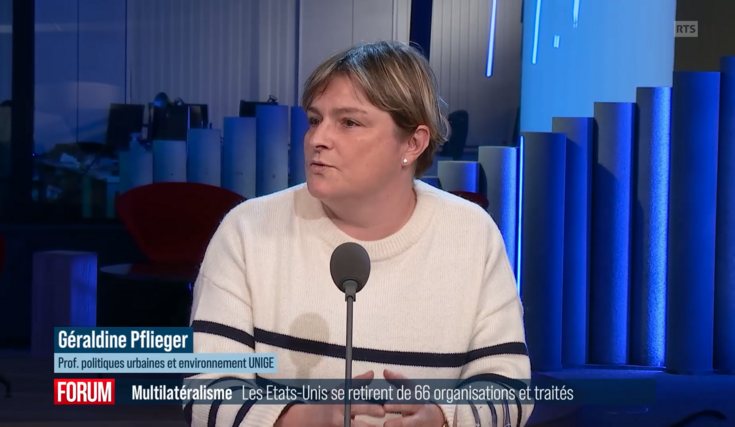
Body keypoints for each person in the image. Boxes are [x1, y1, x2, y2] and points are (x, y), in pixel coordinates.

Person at [186, 40, 532, 427]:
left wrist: (441, 418)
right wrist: (298, 420)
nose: (317, 139)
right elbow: (207, 388)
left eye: (348, 122)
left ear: (413, 143)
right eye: (314, 119)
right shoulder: (248, 230)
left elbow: (508, 385)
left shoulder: (471, 234)